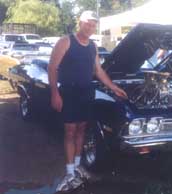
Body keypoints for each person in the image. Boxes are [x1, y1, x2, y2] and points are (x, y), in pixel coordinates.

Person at [48, 10, 127, 192]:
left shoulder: (93, 46)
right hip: (68, 92)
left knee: (82, 129)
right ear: (80, 22)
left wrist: (114, 87)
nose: (90, 27)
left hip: (86, 92)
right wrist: (55, 93)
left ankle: (77, 167)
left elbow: (98, 71)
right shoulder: (66, 41)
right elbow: (52, 67)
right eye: (87, 23)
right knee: (70, 131)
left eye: (93, 25)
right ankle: (69, 173)